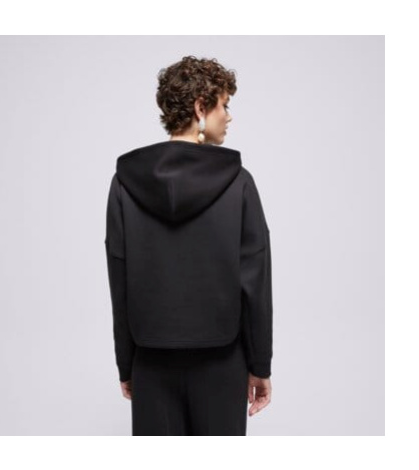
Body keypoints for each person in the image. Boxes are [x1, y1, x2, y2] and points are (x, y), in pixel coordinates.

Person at [105, 55, 273, 435]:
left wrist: (126, 364)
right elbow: (255, 280)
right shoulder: (239, 182)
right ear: (200, 107)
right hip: (223, 362)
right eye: (224, 105)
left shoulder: (125, 182)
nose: (228, 116)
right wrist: (259, 365)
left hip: (150, 362)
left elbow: (120, 277)